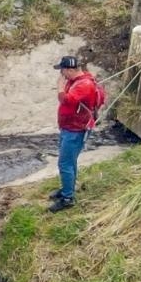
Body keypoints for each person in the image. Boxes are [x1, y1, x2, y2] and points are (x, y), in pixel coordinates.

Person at [50, 55, 102, 212]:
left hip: (75, 130)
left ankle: (68, 198)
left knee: (65, 163)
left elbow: (66, 100)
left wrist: (59, 86)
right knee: (69, 162)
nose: (61, 75)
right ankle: (67, 189)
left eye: (62, 71)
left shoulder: (83, 85)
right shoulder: (77, 81)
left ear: (69, 70)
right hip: (69, 128)